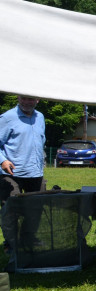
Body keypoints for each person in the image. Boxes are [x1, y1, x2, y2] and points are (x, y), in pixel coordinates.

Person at [0, 96, 46, 254]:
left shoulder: (40, 117)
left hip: (35, 172)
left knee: (36, 209)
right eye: (24, 99)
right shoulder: (7, 118)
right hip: (12, 174)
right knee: (11, 209)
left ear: (37, 100)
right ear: (18, 98)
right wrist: (2, 161)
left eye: (31, 99)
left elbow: (41, 140)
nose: (27, 102)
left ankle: (28, 238)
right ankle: (11, 243)